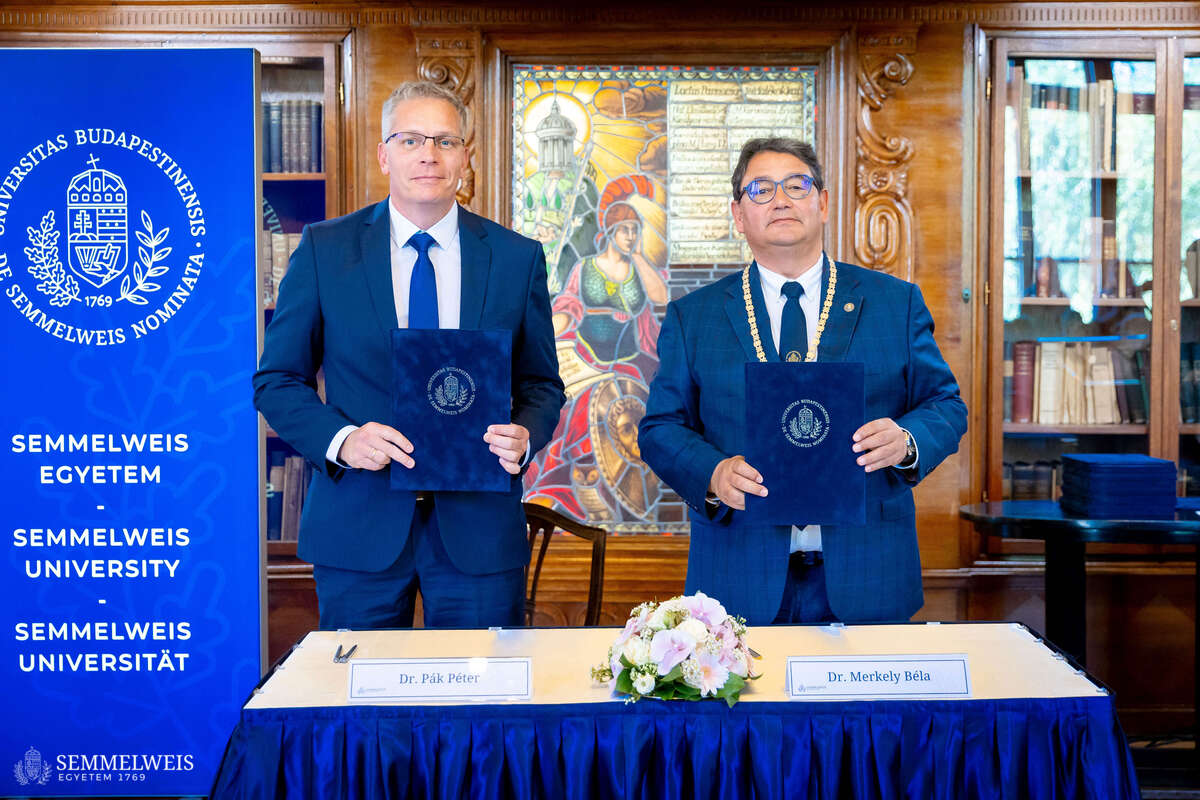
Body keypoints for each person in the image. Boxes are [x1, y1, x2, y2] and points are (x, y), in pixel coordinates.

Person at [253, 81, 565, 630]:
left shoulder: (516, 258)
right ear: (384, 155)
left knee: (480, 685)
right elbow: (276, 380)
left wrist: (525, 435)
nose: (428, 154)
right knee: (359, 685)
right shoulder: (327, 249)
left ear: (465, 157)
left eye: (445, 141)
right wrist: (344, 441)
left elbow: (541, 385)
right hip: (358, 524)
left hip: (479, 532)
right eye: (411, 140)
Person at [638, 137, 966, 625]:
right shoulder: (694, 317)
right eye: (761, 189)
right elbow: (660, 428)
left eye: (797, 185)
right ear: (738, 214)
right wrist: (713, 472)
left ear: (824, 203)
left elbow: (946, 405)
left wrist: (907, 440)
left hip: (869, 569)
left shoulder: (894, 303)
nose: (781, 200)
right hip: (737, 574)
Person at [524, 175, 666, 522]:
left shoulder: (637, 269)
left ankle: (611, 491)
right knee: (569, 405)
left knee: (628, 406)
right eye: (625, 230)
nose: (630, 236)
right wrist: (544, 334)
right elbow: (569, 305)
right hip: (586, 356)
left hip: (629, 361)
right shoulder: (585, 267)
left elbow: (660, 298)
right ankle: (570, 481)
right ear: (610, 231)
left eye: (635, 230)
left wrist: (640, 258)